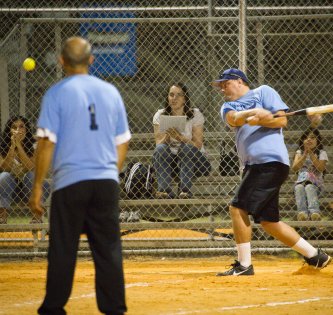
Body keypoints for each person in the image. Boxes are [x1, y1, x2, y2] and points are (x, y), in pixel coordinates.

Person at [29, 37, 130, 315]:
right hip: (105, 181)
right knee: (108, 247)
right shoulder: (110, 91)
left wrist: (37, 186)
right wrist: (111, 171)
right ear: (91, 60)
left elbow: (47, 142)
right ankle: (113, 308)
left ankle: (53, 307)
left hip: (70, 182)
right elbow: (123, 141)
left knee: (63, 246)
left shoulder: (56, 93)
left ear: (62, 61)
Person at [212, 68, 332, 276]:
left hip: (269, 162)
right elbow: (233, 119)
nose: (222, 88)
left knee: (237, 208)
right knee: (269, 221)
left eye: (225, 83)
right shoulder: (227, 106)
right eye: (220, 85)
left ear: (239, 81)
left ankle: (244, 265)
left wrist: (263, 119)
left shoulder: (263, 92)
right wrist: (252, 113)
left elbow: (281, 120)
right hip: (254, 166)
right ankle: (315, 256)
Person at [152, 82, 211, 199]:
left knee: (187, 148)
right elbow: (158, 144)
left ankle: (185, 192)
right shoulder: (160, 115)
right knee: (161, 148)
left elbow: (198, 145)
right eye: (171, 95)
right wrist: (168, 136)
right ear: (167, 97)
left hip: (196, 162)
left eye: (179, 95)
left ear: (185, 98)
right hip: (171, 164)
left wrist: (181, 138)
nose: (175, 98)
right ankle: (165, 192)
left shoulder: (195, 114)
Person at [0, 116, 50, 224]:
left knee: (30, 176)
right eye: (14, 127)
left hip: (32, 186)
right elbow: (4, 168)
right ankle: (2, 217)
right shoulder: (3, 146)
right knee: (4, 176)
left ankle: (37, 218)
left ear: (26, 129)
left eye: (21, 126)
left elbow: (31, 167)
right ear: (9, 130)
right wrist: (13, 147)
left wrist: (19, 145)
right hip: (11, 188)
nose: (18, 130)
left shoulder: (35, 145)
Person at [292, 127, 328, 221]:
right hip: (301, 183)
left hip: (316, 185)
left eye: (312, 137)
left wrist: (311, 153)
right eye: (306, 138)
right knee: (298, 187)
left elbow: (320, 168)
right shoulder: (299, 152)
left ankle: (314, 212)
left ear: (317, 140)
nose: (309, 139)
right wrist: (304, 155)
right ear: (302, 141)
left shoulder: (321, 153)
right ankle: (302, 213)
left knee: (309, 187)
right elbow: (295, 168)